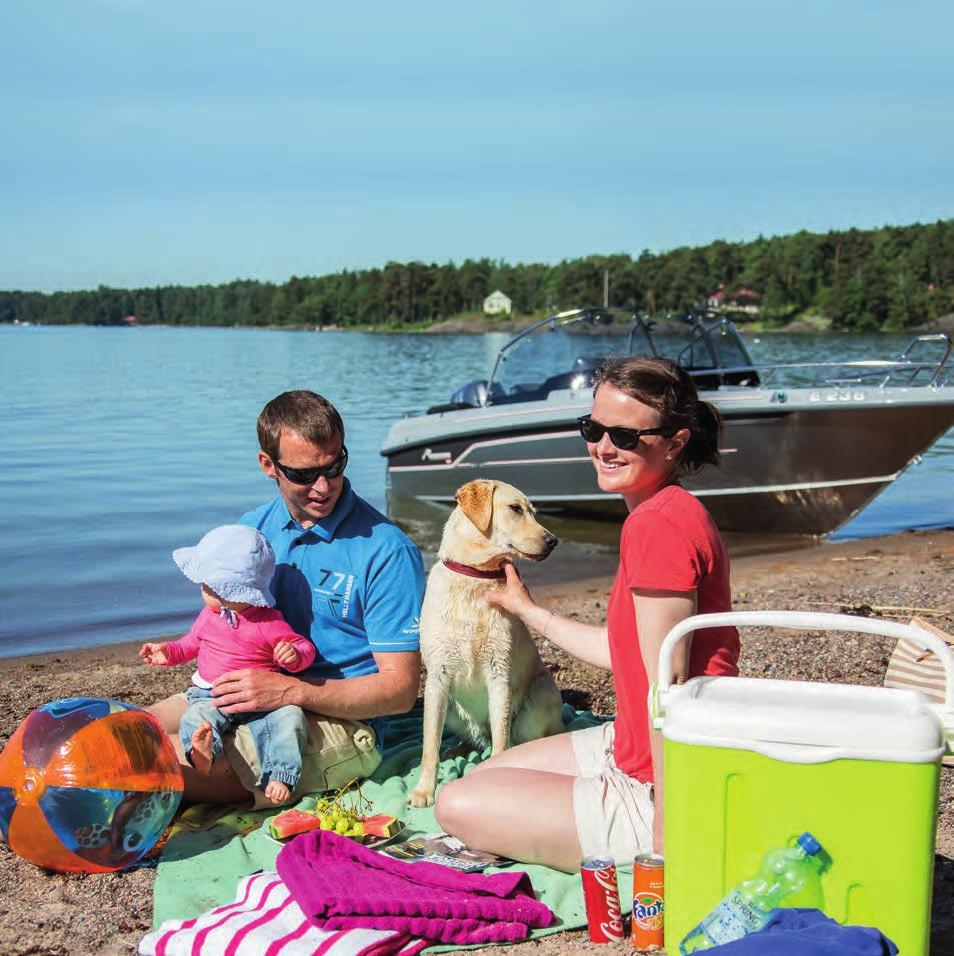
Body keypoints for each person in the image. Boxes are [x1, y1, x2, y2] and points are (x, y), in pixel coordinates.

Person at [433, 356, 739, 872]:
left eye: (624, 435)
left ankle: (636, 819)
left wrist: (665, 836)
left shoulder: (657, 526)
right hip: (633, 746)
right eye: (593, 428)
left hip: (667, 782)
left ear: (676, 442)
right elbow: (624, 652)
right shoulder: (664, 510)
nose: (603, 446)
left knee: (454, 805)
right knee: (487, 775)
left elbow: (670, 687)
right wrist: (526, 610)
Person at [148, 390, 425, 806]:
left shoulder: (387, 550)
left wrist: (291, 692)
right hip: (240, 693)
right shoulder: (250, 531)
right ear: (268, 465)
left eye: (335, 466)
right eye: (303, 474)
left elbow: (401, 691)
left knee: (153, 763)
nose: (324, 486)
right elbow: (220, 624)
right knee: (124, 729)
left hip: (342, 721)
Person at [140, 524, 317, 805]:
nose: (203, 591)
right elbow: (189, 645)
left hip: (260, 702)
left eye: (207, 586)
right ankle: (202, 752)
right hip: (213, 694)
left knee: (290, 719)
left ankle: (281, 774)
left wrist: (293, 655)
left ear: (230, 592)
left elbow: (305, 648)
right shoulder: (209, 617)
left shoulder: (269, 623)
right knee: (196, 719)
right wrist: (168, 653)